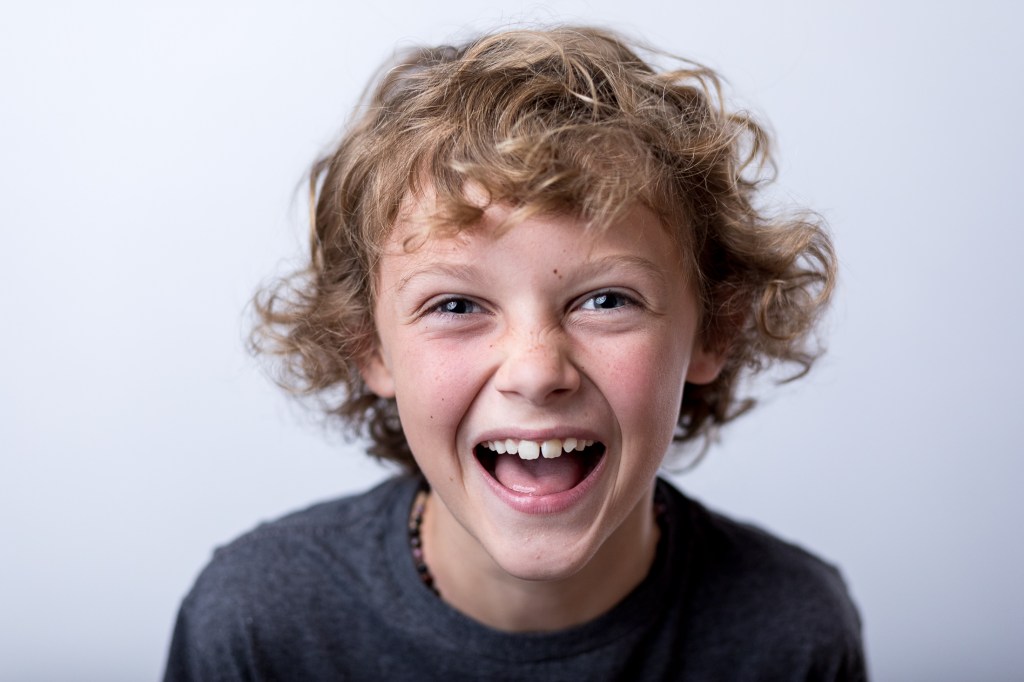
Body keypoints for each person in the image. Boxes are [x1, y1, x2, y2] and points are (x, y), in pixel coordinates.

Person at [164, 26, 866, 681]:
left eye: (606, 300)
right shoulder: (258, 629)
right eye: (457, 306)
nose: (536, 372)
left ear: (714, 329)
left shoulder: (792, 635)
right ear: (369, 347)